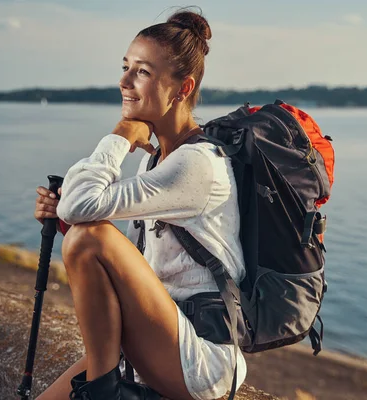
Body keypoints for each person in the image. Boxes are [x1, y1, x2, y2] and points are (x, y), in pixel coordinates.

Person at [33, 9, 247, 400]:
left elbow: (85, 211)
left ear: (183, 88)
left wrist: (120, 134)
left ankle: (103, 393)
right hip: (157, 337)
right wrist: (64, 217)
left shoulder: (196, 164)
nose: (124, 81)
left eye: (142, 72)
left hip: (200, 359)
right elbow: (126, 258)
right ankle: (104, 386)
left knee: (86, 237)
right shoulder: (159, 159)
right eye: (126, 67)